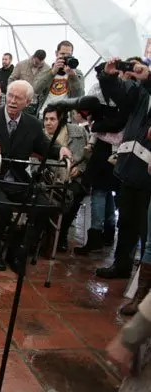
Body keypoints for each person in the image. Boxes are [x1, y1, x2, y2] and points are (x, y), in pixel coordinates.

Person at [0, 80, 72, 272]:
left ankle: (16, 250)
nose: (12, 101)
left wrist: (60, 150)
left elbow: (44, 145)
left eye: (18, 98)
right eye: (10, 96)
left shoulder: (32, 124)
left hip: (17, 179)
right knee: (3, 209)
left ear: (28, 102)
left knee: (43, 206)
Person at [95, 60, 151, 279]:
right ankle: (122, 265)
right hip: (130, 170)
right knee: (126, 221)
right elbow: (121, 97)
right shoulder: (142, 93)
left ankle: (143, 285)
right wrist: (109, 77)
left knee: (147, 230)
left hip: (148, 175)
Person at [40, 106, 88, 252]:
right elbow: (36, 163)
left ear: (60, 120)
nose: (48, 123)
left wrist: (80, 169)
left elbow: (87, 155)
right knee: (50, 195)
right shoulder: (41, 136)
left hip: (73, 178)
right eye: (46, 119)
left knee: (74, 194)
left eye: (52, 119)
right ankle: (48, 235)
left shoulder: (78, 132)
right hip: (49, 178)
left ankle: (62, 234)